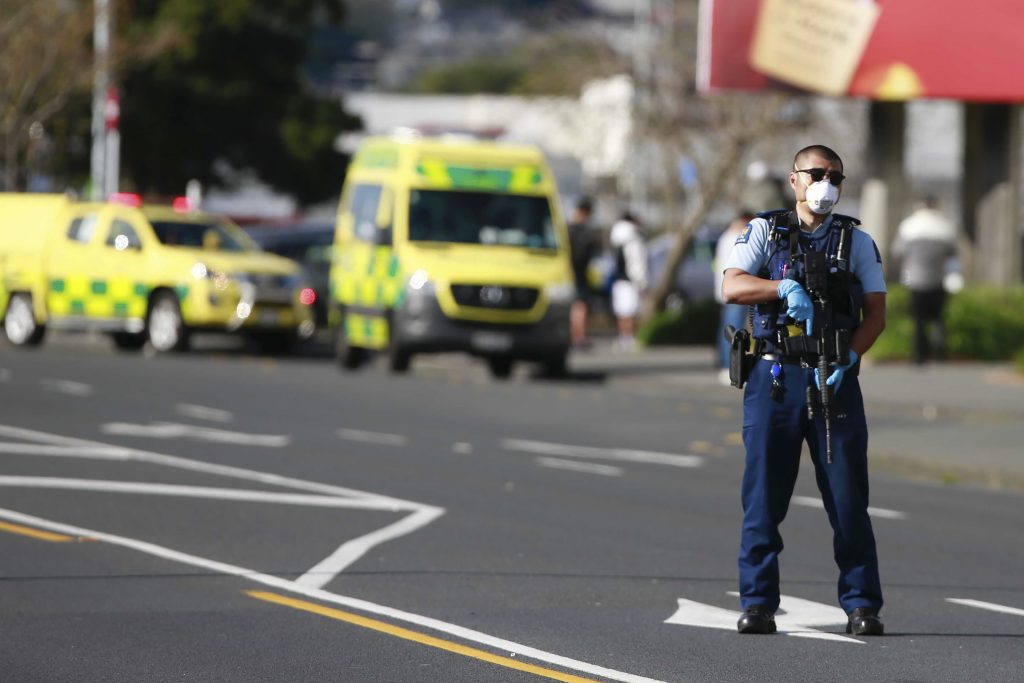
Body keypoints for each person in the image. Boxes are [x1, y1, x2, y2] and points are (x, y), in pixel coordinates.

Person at [721, 145, 888, 637]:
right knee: (764, 499)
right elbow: (731, 286)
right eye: (816, 174)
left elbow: (876, 313)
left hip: (832, 379)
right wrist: (780, 289)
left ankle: (861, 605)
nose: (826, 184)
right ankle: (757, 603)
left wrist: (851, 356)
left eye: (835, 176)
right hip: (774, 379)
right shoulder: (764, 232)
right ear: (794, 180)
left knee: (848, 499)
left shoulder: (855, 241)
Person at [891, 196, 959, 364]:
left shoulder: (908, 226)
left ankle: (919, 354)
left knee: (919, 319)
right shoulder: (945, 226)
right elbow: (953, 254)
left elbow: (897, 251)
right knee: (938, 318)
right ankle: (941, 352)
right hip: (938, 279)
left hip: (915, 279)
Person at [715, 212, 754, 385]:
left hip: (726, 291)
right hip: (736, 291)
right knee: (734, 332)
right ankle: (729, 367)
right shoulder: (737, 238)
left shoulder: (725, 237)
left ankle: (724, 365)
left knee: (727, 329)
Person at [608, 212, 647, 350]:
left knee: (621, 312)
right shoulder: (633, 239)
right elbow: (637, 264)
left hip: (618, 280)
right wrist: (641, 282)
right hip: (630, 281)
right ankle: (629, 338)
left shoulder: (616, 238)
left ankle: (622, 337)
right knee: (630, 312)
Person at [567, 197, 599, 349]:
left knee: (577, 305)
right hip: (579, 271)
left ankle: (576, 336)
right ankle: (579, 337)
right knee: (580, 305)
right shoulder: (582, 230)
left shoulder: (568, 227)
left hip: (569, 272)